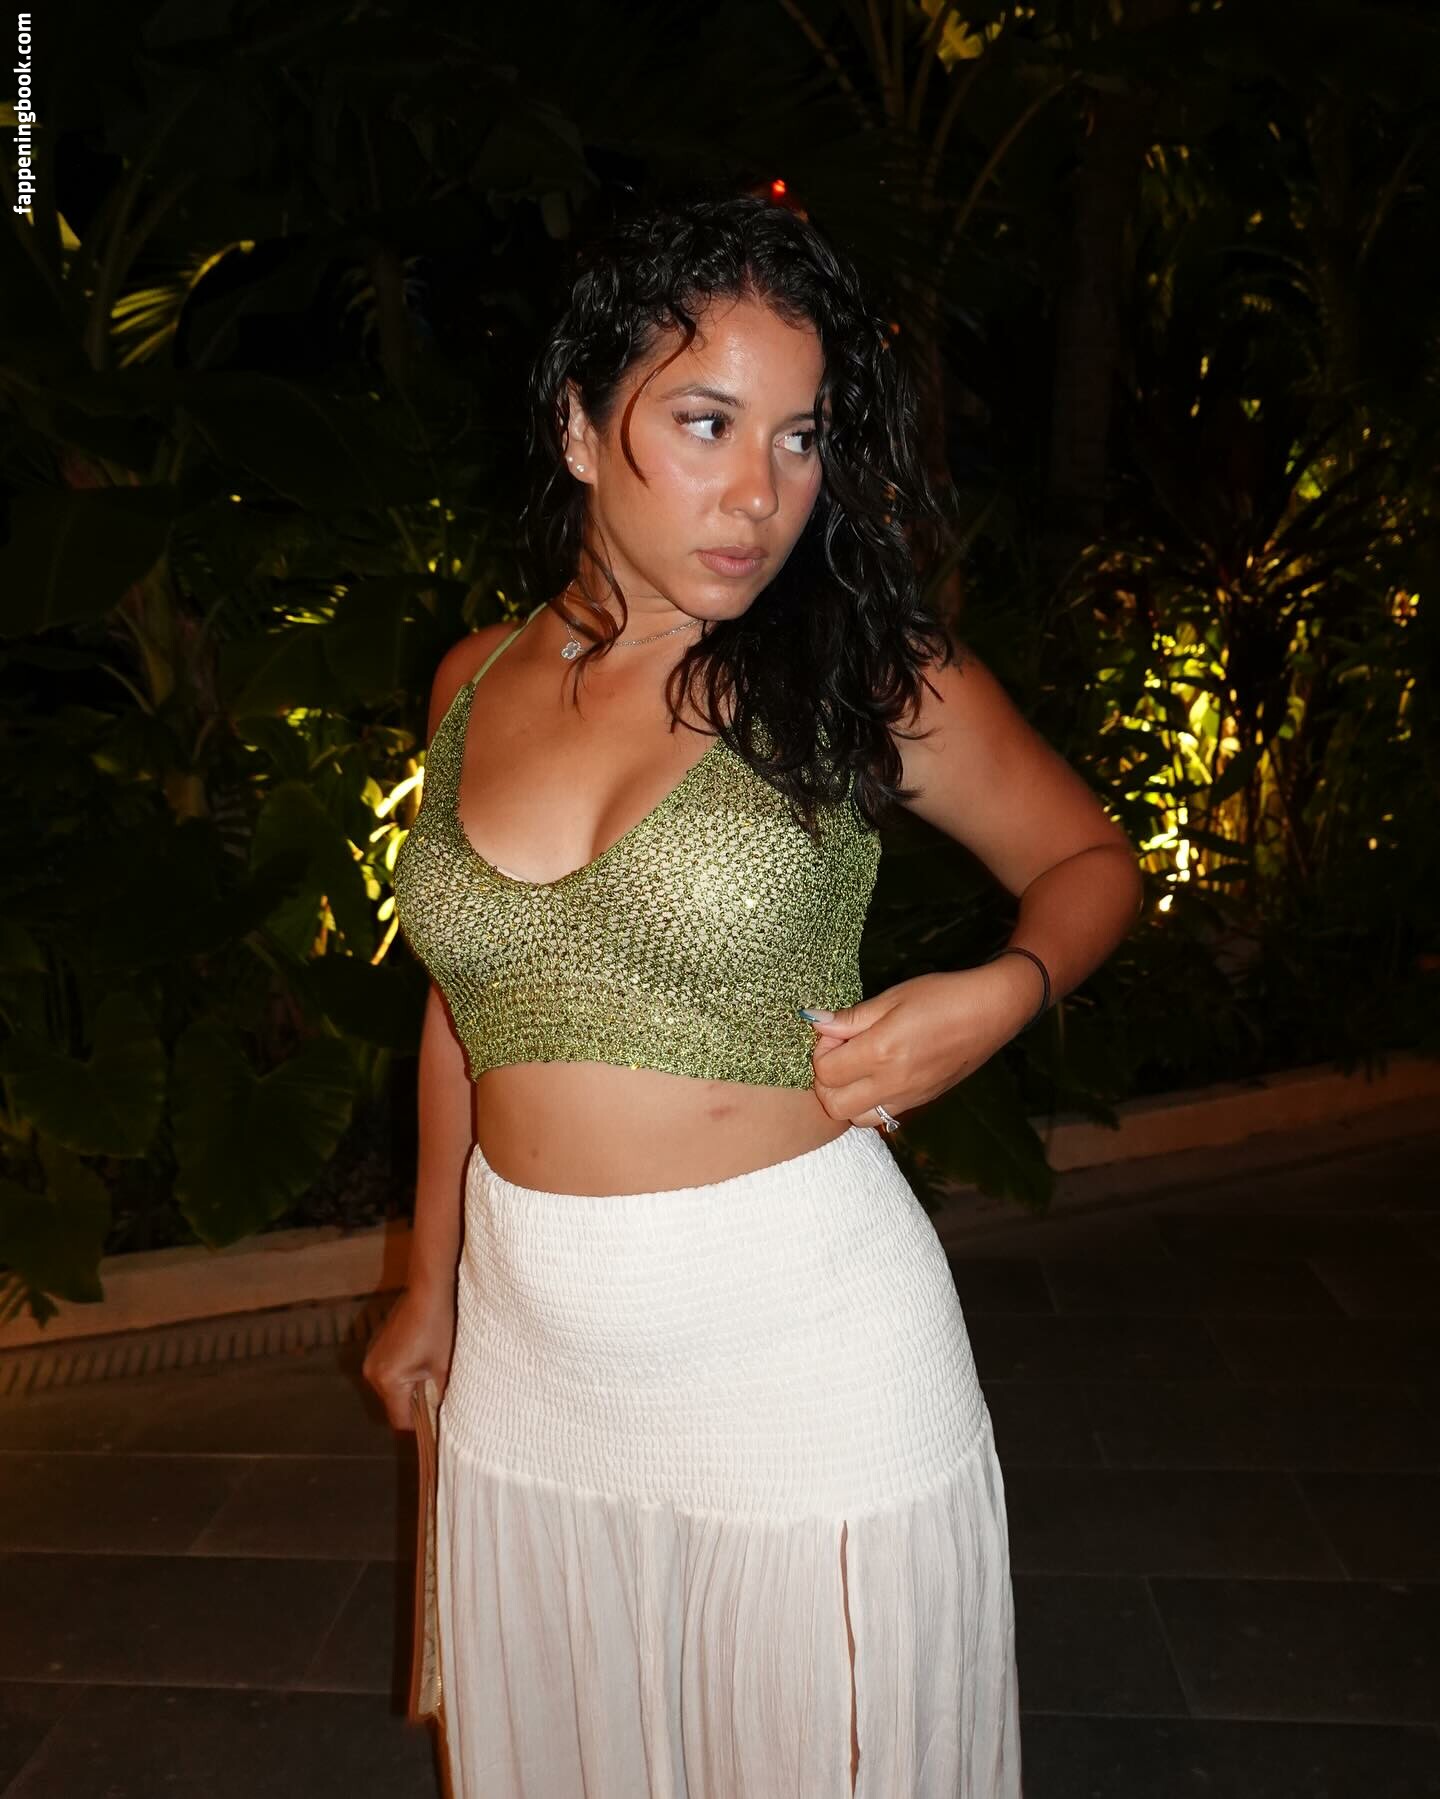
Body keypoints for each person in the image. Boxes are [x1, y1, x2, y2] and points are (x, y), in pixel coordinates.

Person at [363, 189, 1143, 1799]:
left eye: (800, 439)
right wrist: (431, 1285)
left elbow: (1090, 862)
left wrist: (1003, 992)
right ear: (580, 428)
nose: (761, 494)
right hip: (531, 1370)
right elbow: (464, 1005)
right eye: (707, 423)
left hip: (803, 1358)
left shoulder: (861, 675)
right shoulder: (471, 679)